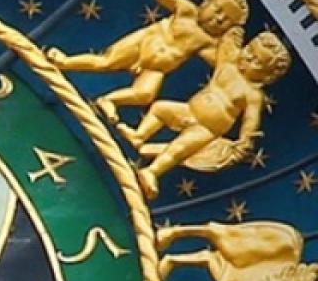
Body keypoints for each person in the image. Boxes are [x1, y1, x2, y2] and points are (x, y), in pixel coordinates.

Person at [48, 0, 248, 123]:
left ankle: (109, 100)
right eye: (218, 9)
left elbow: (220, 65)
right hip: (144, 44)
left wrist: (232, 47)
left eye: (226, 20)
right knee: (106, 62)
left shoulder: (209, 42)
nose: (219, 19)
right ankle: (65, 62)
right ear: (207, 0)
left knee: (145, 94)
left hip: (158, 67)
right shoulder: (187, 11)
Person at [116, 27, 290, 199]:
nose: (248, 58)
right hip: (189, 110)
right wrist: (234, 31)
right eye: (249, 50)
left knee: (179, 148)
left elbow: (250, 120)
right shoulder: (228, 64)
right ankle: (139, 136)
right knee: (159, 108)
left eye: (257, 62)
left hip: (207, 128)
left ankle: (152, 171)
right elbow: (227, 43)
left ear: (267, 77)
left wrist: (245, 139)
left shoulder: (252, 94)